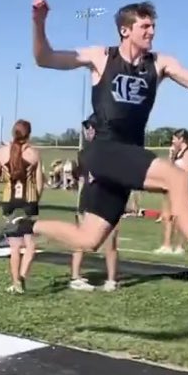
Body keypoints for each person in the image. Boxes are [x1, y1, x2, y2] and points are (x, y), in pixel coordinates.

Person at [18, 0, 188, 282]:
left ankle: (27, 225)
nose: (151, 32)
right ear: (125, 30)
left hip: (128, 154)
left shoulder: (160, 63)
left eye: (153, 26)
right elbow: (44, 58)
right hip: (103, 149)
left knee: (89, 239)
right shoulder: (101, 57)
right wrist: (38, 22)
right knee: (175, 177)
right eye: (145, 26)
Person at [0, 120, 43, 294]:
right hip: (28, 200)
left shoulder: (2, 152)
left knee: (14, 246)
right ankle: (22, 277)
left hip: (9, 200)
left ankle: (15, 282)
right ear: (29, 134)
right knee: (30, 244)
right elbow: (40, 184)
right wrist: (35, 201)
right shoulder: (34, 154)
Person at [70, 115, 121, 292]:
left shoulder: (111, 151)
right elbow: (83, 179)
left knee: (111, 240)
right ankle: (75, 276)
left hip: (108, 198)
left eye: (92, 127)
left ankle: (111, 279)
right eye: (87, 127)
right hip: (88, 198)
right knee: (80, 239)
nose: (89, 130)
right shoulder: (84, 152)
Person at [155, 129, 188, 255]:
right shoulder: (176, 152)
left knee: (179, 218)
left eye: (174, 139)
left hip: (181, 187)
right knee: (167, 216)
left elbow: (187, 170)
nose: (172, 141)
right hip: (170, 186)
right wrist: (171, 156)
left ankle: (179, 246)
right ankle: (166, 245)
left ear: (181, 139)